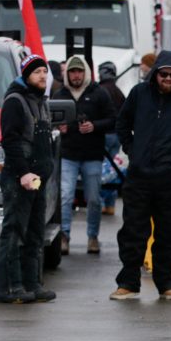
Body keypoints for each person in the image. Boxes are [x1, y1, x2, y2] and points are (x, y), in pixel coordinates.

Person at [111, 51, 171, 301]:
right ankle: (128, 282)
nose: (169, 79)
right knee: (133, 230)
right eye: (164, 74)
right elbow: (122, 123)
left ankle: (168, 284)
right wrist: (132, 150)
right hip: (139, 176)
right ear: (155, 74)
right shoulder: (139, 94)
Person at [0, 54, 56, 304]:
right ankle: (9, 287)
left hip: (38, 178)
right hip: (20, 177)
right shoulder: (15, 101)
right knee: (14, 231)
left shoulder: (41, 101)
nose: (42, 75)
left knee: (34, 232)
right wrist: (23, 173)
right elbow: (9, 140)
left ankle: (33, 283)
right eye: (36, 72)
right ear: (25, 75)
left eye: (44, 71)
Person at [53, 55, 116, 255]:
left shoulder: (99, 93)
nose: (76, 75)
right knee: (65, 197)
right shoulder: (59, 94)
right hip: (68, 154)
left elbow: (113, 120)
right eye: (72, 71)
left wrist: (95, 126)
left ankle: (92, 237)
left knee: (94, 198)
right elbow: (47, 122)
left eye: (80, 71)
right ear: (67, 74)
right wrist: (58, 128)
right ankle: (64, 236)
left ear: (86, 72)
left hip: (92, 155)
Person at [97, 60, 127, 216]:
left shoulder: (100, 90)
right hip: (116, 136)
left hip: (102, 135)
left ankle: (101, 203)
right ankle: (110, 205)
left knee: (101, 171)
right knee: (113, 171)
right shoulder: (118, 91)